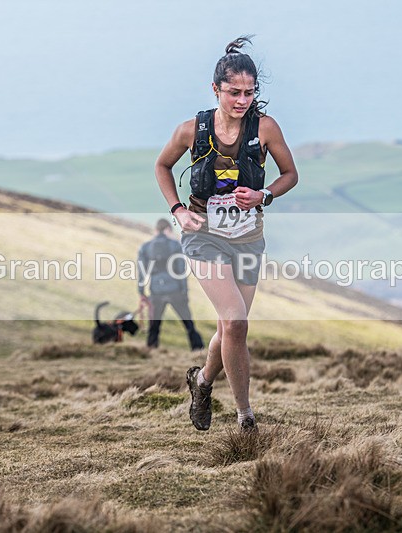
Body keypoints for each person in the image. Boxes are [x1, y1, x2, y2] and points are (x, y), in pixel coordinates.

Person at [154, 36, 299, 433]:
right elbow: (162, 166)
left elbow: (290, 175)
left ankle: (202, 382)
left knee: (228, 327)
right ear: (215, 89)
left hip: (248, 237)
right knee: (235, 322)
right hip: (204, 236)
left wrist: (264, 194)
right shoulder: (191, 130)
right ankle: (245, 417)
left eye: (249, 93)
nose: (242, 100)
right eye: (234, 92)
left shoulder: (265, 128)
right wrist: (177, 209)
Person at [137, 218, 205, 350]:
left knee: (154, 326)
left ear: (156, 230)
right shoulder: (175, 245)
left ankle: (151, 350)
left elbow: (141, 272)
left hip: (156, 291)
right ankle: (198, 350)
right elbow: (181, 271)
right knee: (188, 323)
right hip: (175, 290)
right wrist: (184, 291)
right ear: (168, 229)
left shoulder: (145, 247)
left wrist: (141, 292)